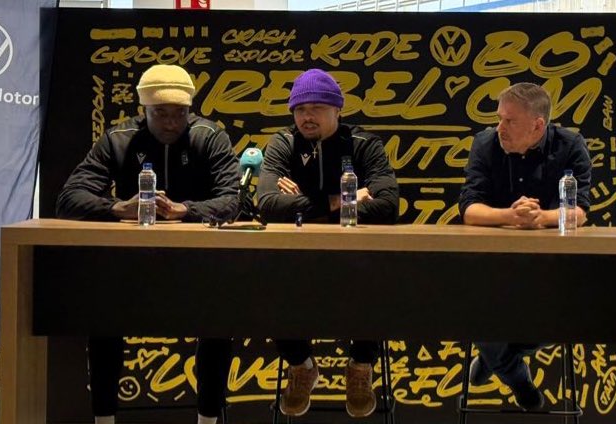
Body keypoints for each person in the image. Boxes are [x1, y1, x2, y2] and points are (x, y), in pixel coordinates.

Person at [56, 64, 240, 424]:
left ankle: (208, 420)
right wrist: (115, 208)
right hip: (132, 264)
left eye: (179, 113)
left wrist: (186, 211)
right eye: (161, 114)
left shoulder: (210, 136)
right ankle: (104, 420)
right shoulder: (119, 138)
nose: (171, 123)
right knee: (102, 317)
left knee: (219, 318)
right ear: (144, 110)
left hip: (201, 264)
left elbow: (234, 200)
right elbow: (69, 197)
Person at [257, 68, 399, 418]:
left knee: (380, 278)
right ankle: (302, 366)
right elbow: (269, 206)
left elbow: (388, 206)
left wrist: (302, 206)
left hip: (356, 260)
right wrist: (342, 201)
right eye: (300, 110)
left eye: (316, 108)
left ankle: (361, 366)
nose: (306, 116)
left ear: (338, 110)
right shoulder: (283, 143)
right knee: (264, 281)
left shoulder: (364, 144)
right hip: (296, 260)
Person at [457, 82, 591, 410]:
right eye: (499, 118)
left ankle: (493, 359)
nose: (500, 127)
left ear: (538, 125)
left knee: (561, 317)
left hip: (550, 267)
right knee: (474, 309)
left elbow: (579, 212)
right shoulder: (484, 143)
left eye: (509, 121)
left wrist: (540, 218)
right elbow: (469, 210)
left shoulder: (570, 145)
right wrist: (511, 215)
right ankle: (516, 376)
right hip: (491, 267)